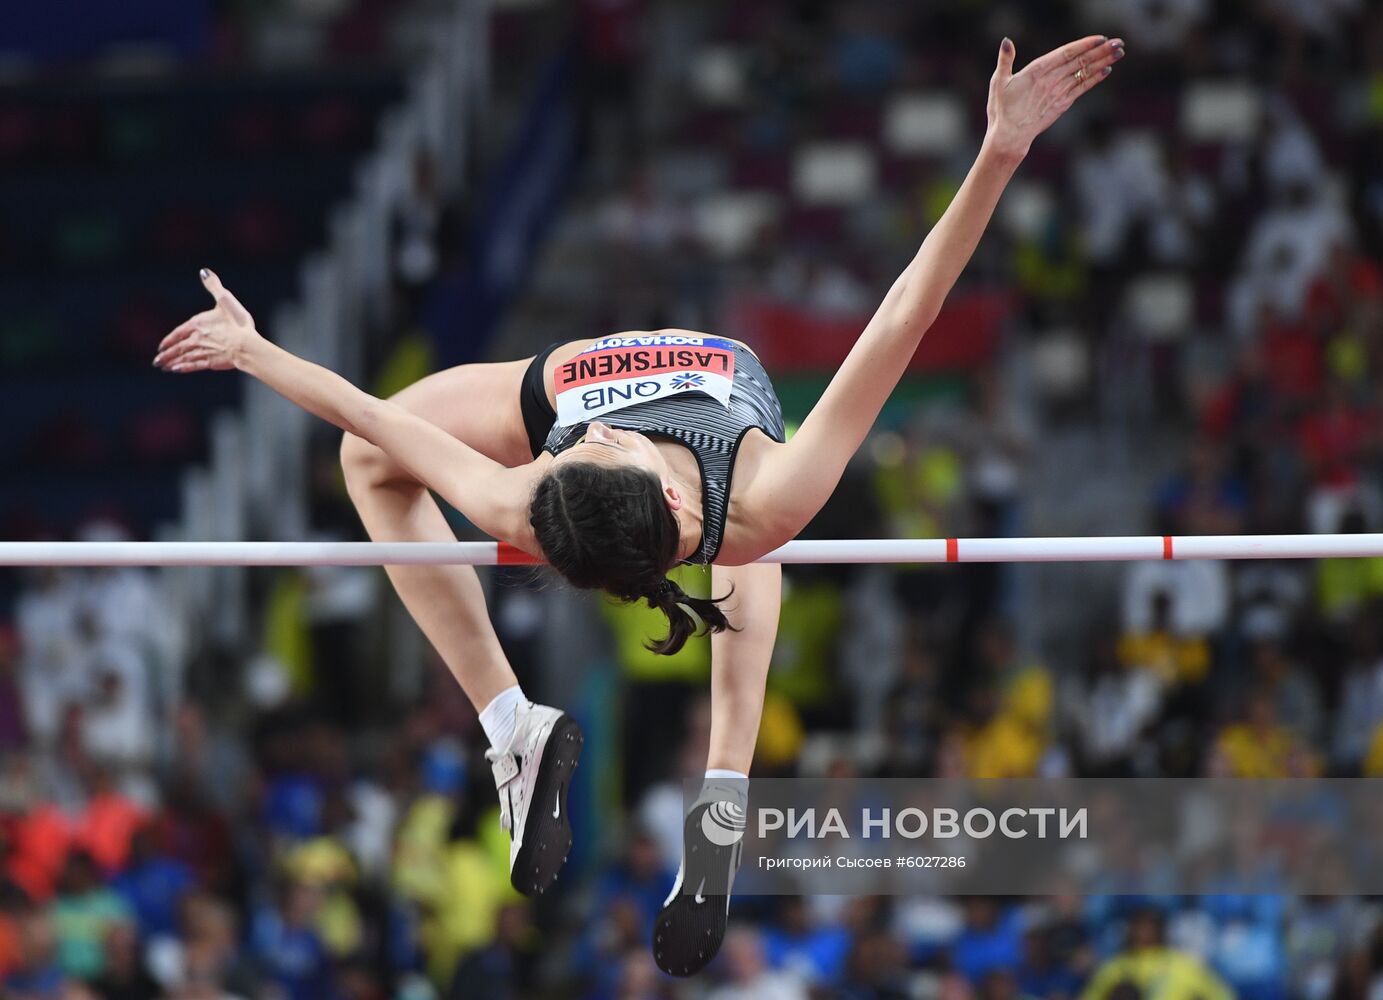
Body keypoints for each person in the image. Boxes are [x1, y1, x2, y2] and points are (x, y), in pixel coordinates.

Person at [153, 33, 1125, 976]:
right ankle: (668, 787)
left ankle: (534, 736)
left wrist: (255, 351)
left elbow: (369, 415)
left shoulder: (524, 497)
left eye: (593, 448)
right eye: (596, 448)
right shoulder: (727, 495)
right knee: (754, 544)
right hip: (687, 435)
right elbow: (906, 308)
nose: (602, 437)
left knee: (392, 465)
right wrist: (997, 156)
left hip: (566, 385)